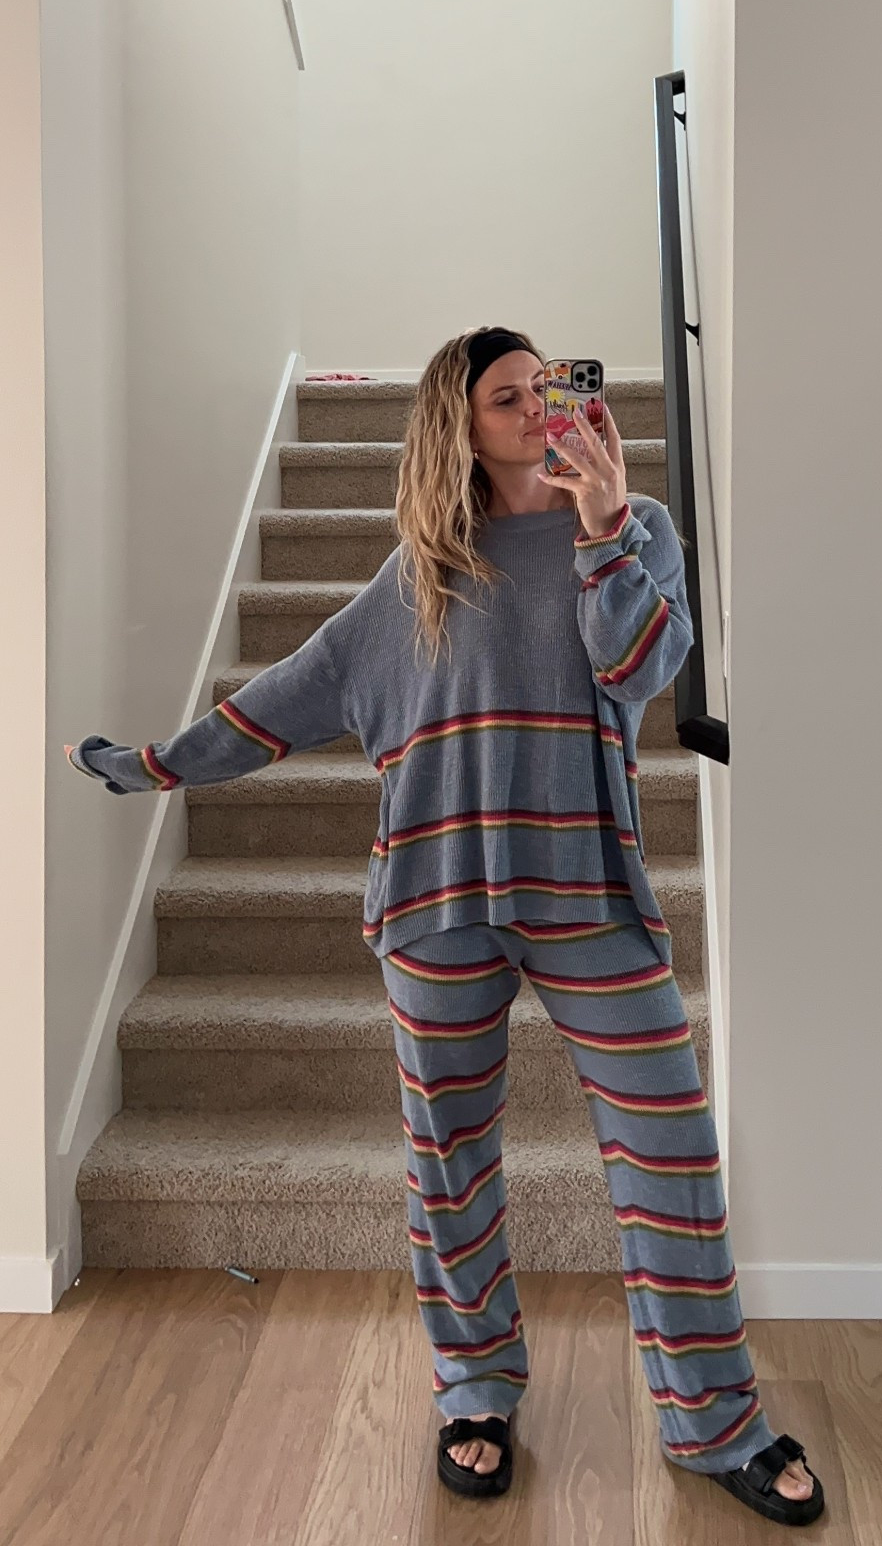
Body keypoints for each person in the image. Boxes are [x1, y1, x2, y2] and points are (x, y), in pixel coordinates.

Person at [66, 324, 822, 1526]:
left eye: (547, 387)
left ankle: (714, 1419)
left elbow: (642, 670)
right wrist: (155, 764)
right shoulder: (418, 570)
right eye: (507, 395)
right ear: (457, 425)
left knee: (671, 1153)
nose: (537, 407)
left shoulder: (639, 527)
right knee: (450, 1160)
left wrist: (603, 522)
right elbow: (290, 692)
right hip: (436, 898)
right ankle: (475, 1388)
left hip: (588, 890)